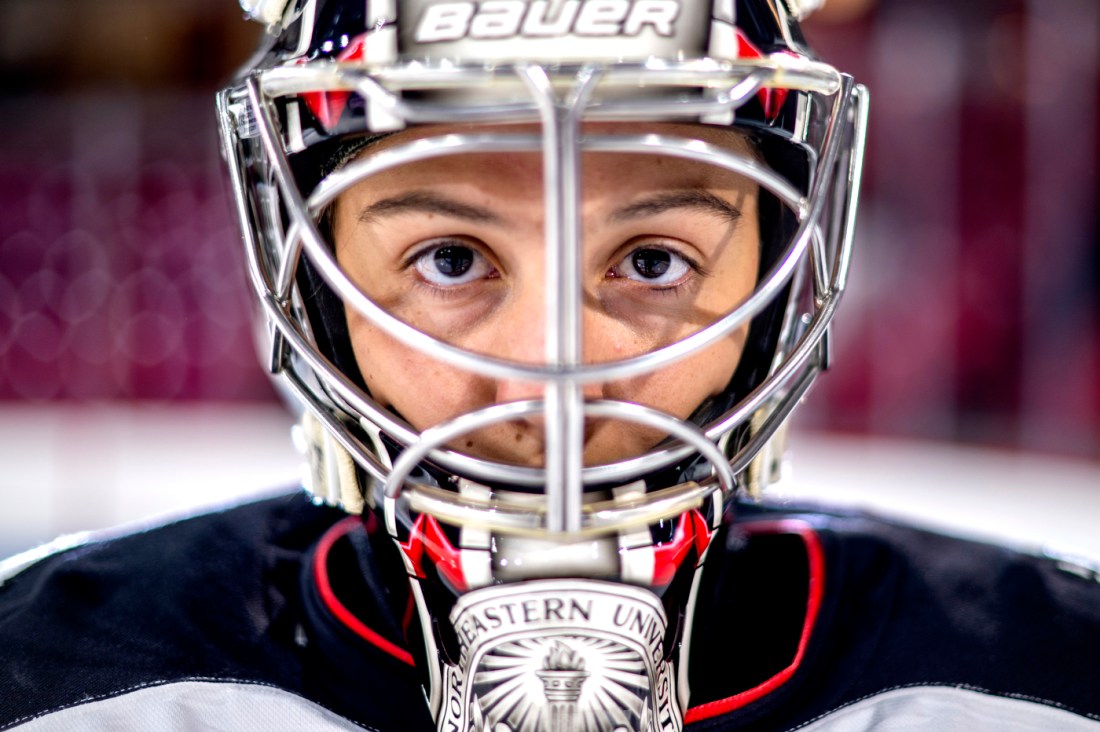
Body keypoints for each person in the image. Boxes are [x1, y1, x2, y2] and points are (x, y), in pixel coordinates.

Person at [1, 0, 1099, 730]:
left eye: (652, 261)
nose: (549, 377)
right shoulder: (59, 670)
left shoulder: (1046, 675)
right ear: (313, 277)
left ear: (776, 278)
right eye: (449, 258)